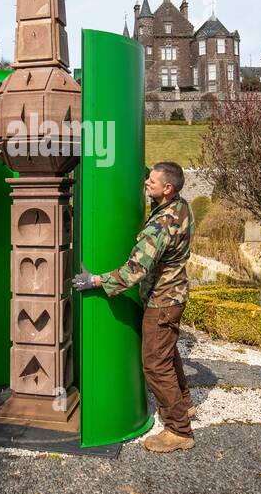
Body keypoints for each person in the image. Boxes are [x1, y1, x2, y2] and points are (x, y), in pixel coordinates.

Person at [73, 161, 196, 452]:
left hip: (161, 301)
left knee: (155, 363)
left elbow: (135, 269)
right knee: (168, 353)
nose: (145, 184)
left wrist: (96, 280)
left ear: (168, 188)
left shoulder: (160, 224)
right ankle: (185, 404)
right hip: (175, 296)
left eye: (151, 182)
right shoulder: (181, 207)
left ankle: (179, 430)